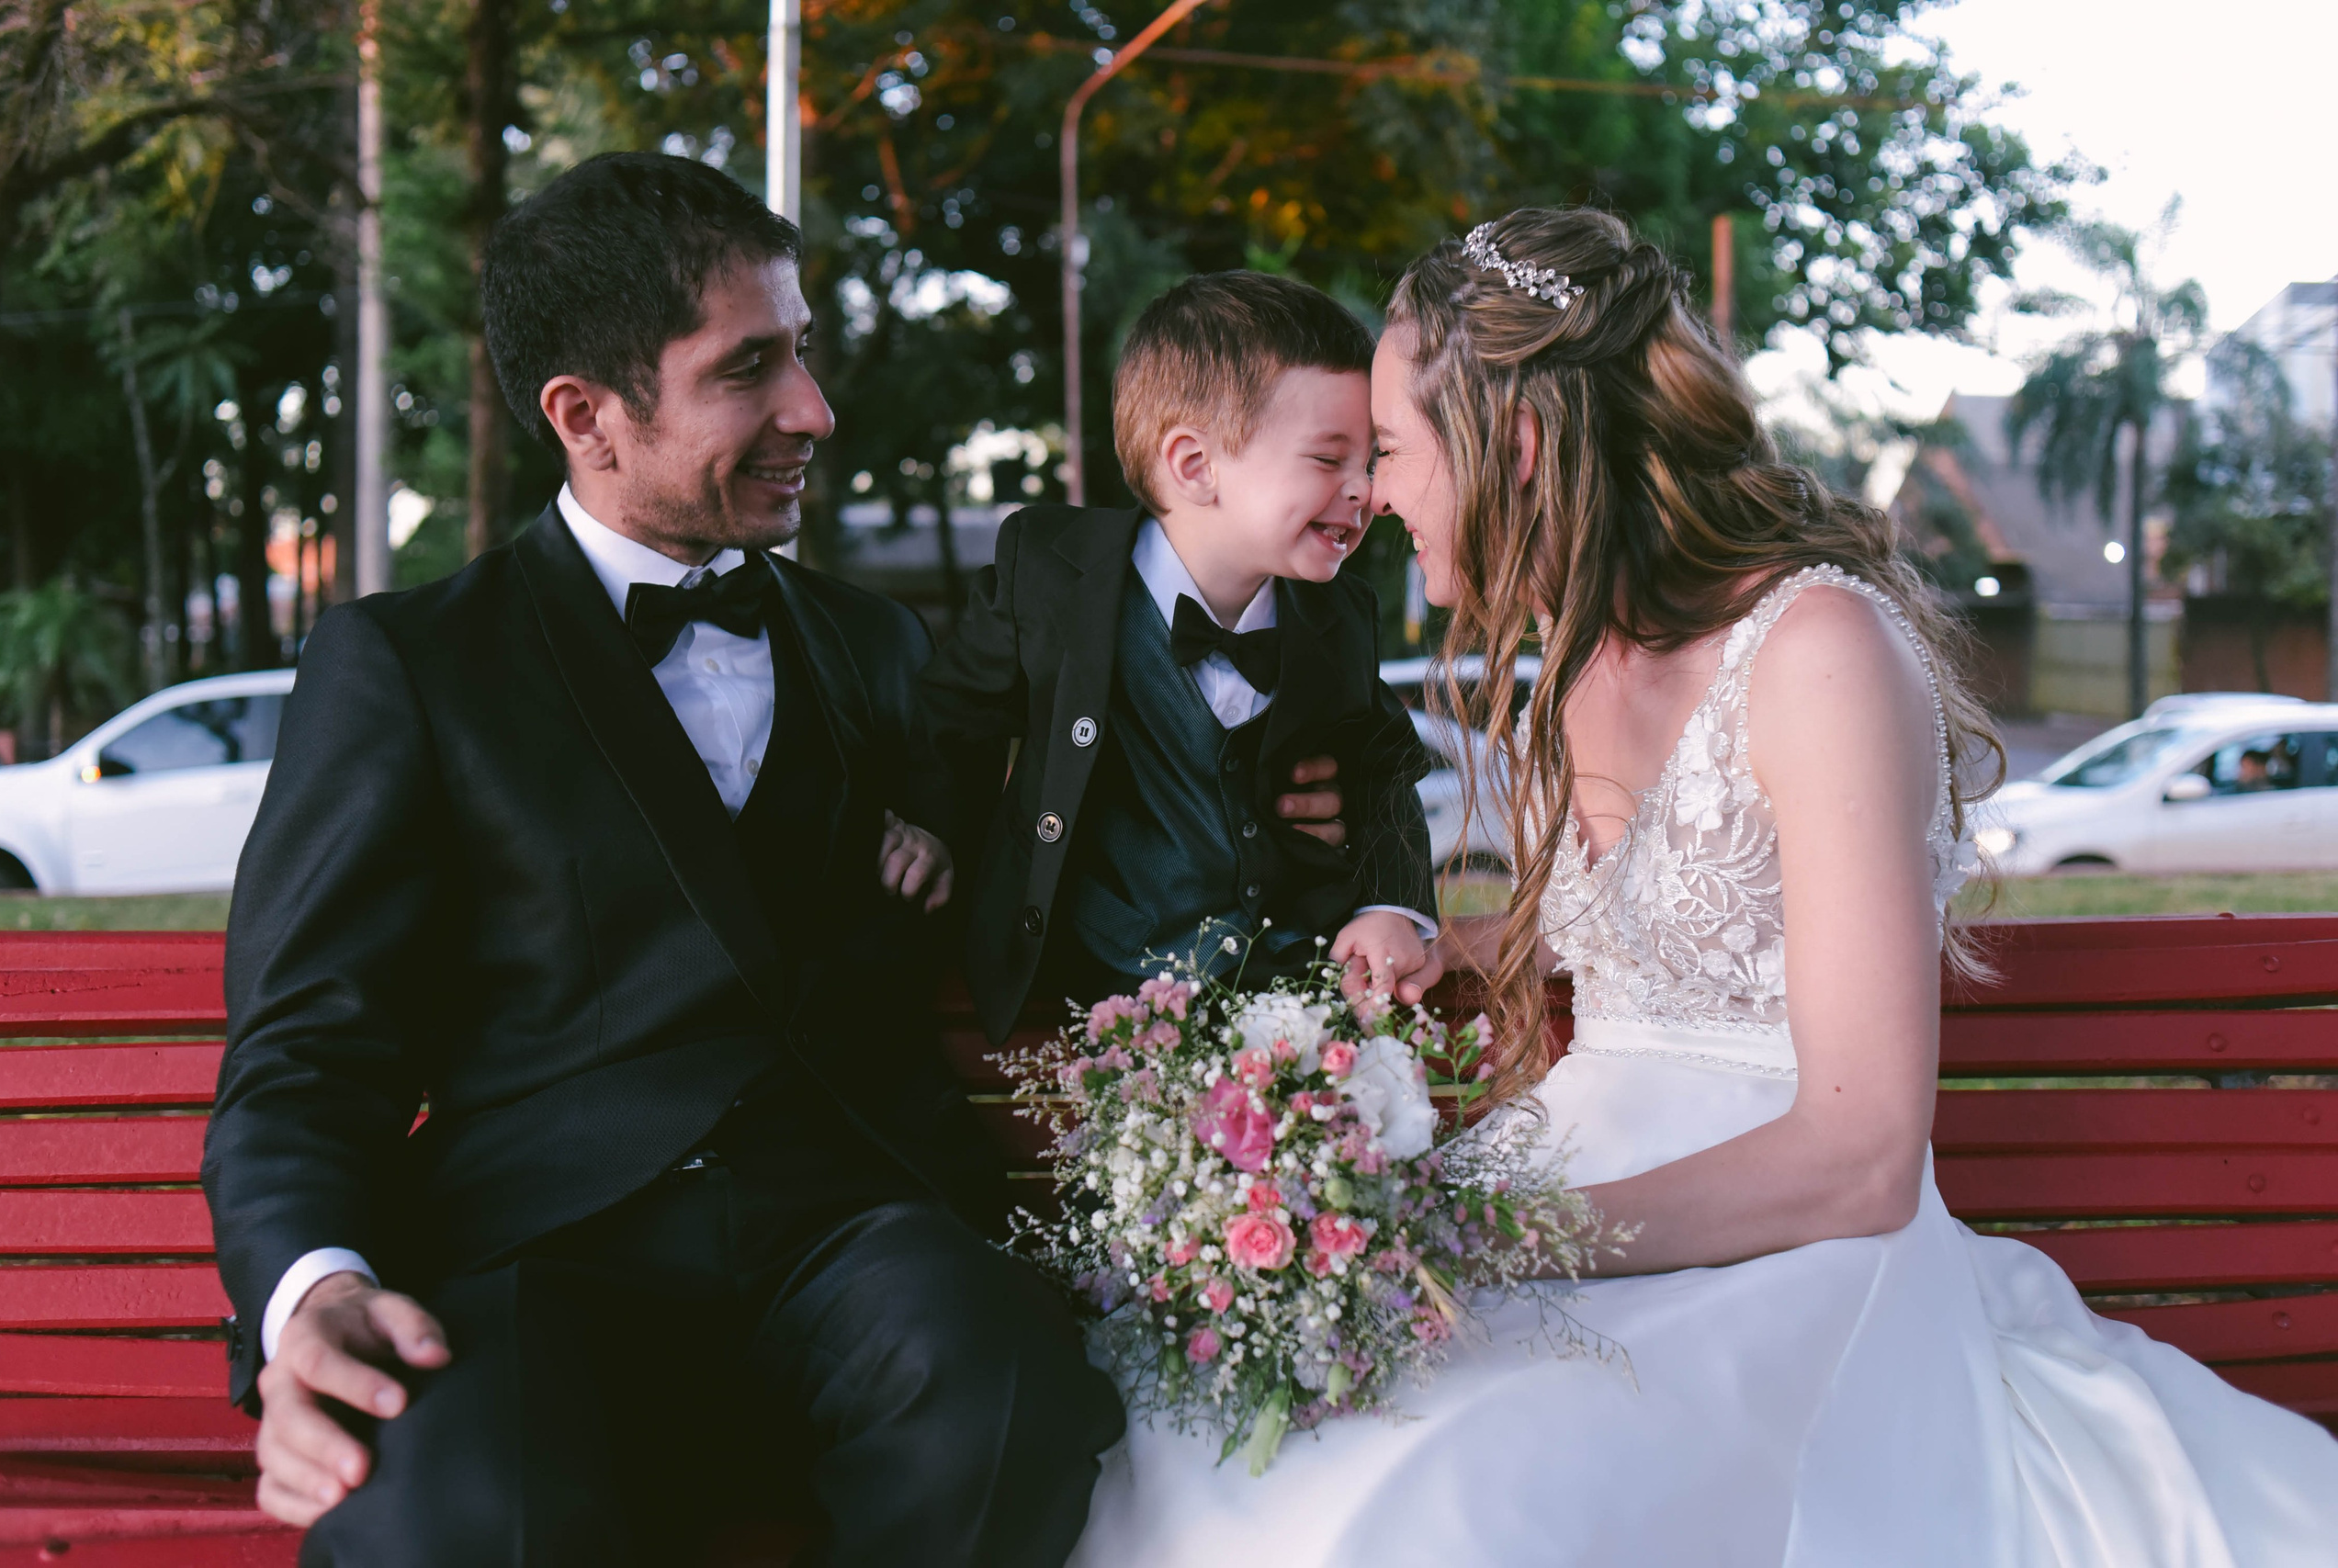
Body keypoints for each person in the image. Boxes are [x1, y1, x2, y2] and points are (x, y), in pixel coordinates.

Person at [1064, 209, 2338, 1566]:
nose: (1372, 494)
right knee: (1219, 1429)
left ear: (1519, 445)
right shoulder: (1572, 665)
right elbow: (1653, 944)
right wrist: (1446, 949)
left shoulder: (1819, 651)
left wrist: (1507, 1234)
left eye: (1389, 447)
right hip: (1563, 1177)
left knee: (1441, 1502)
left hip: (1785, 1254)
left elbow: (1861, 1156)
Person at [201, 152, 1124, 1567]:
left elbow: (1021, 862)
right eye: (749, 368)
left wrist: (1295, 801)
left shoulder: (878, 651)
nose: (813, 409)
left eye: (801, 351)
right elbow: (305, 1048)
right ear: (586, 416)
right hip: (533, 1254)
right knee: (454, 1517)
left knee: (1006, 1404)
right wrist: (310, 1287)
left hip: (847, 1237)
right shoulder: (409, 665)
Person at [918, 271, 1438, 1043]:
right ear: (1195, 466)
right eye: (1329, 460)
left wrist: (1391, 905)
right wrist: (927, 829)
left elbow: (1383, 768)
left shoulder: (1340, 615)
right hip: (1104, 1000)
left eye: (1369, 461)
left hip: (1294, 997)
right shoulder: (1053, 575)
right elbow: (951, 718)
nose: (1364, 491)